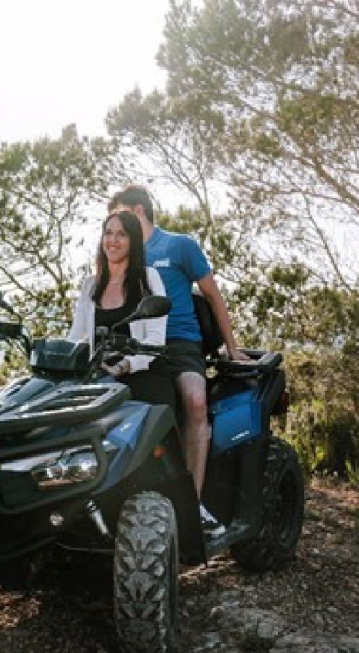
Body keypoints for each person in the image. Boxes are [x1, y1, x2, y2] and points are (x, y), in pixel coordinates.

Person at [108, 184, 249, 536]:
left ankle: (194, 504)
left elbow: (214, 297)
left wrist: (232, 348)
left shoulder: (179, 246)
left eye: (123, 216)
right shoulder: (125, 253)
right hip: (137, 346)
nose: (114, 232)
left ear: (138, 211)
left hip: (181, 343)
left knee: (195, 401)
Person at [67, 210, 174, 411]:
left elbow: (155, 339)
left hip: (142, 375)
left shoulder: (148, 278)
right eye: (108, 233)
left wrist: (123, 366)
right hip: (99, 378)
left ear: (133, 240)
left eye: (121, 234)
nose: (113, 240)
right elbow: (76, 336)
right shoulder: (90, 285)